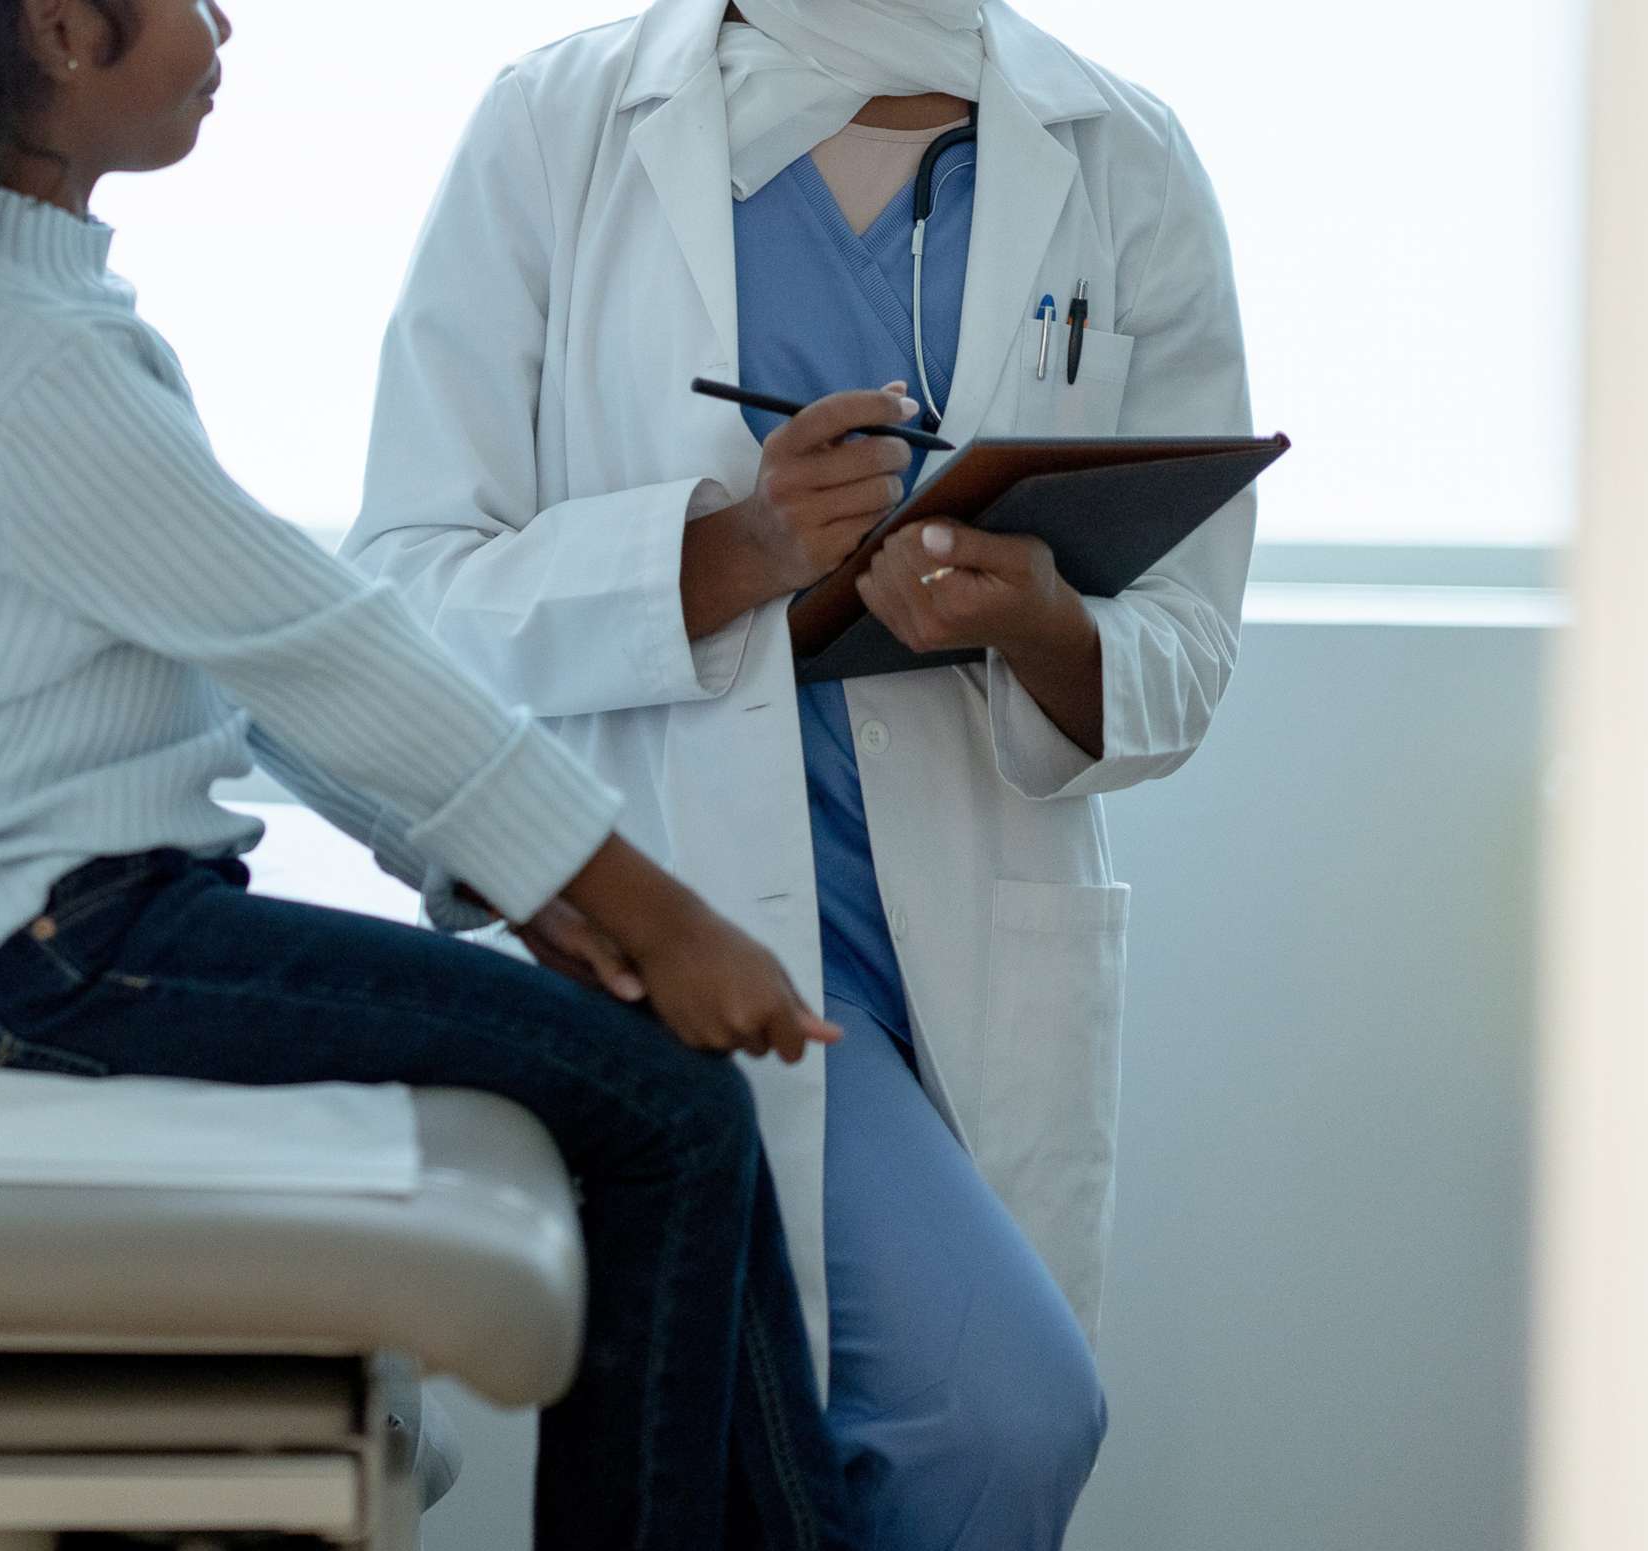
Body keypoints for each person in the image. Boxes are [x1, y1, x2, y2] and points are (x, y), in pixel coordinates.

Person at [0, 3, 868, 1547]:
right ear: (67, 29)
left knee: (666, 1098)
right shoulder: (25, 361)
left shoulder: (13, 310)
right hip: (51, 960)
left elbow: (248, 656)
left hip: (69, 938)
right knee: (668, 1110)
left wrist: (519, 890)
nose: (226, 26)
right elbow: (316, 645)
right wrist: (647, 909)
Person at [347, 1, 1256, 1546]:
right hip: (682, 927)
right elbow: (405, 600)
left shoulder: (1122, 152)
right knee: (994, 1419)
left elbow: (1186, 646)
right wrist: (734, 554)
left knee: (840, 1467)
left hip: (963, 937)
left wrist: (1040, 619)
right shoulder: (561, 125)